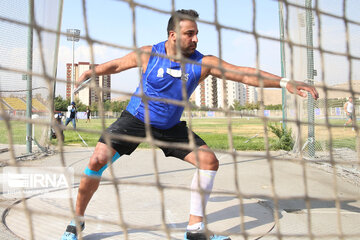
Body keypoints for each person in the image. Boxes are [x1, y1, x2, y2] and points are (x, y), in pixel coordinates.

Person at [61, 9, 319, 240]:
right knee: (96, 160)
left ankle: (194, 229)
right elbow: (117, 65)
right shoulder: (150, 53)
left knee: (209, 161)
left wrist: (285, 83)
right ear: (173, 35)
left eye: (196, 34)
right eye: (189, 34)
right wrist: (91, 71)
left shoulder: (203, 63)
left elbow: (244, 74)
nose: (195, 39)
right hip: (136, 120)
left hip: (170, 126)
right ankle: (77, 220)